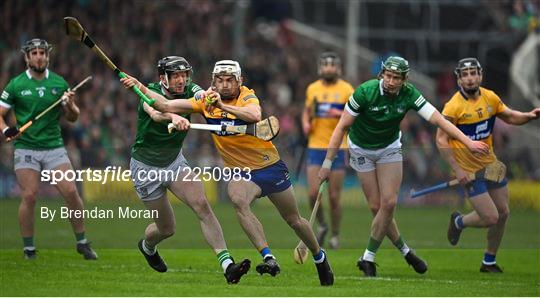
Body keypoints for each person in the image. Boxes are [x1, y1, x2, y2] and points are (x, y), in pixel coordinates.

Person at [121, 60, 334, 286]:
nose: (224, 85)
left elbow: (254, 115)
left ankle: (320, 258)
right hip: (239, 172)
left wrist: (223, 107)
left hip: (269, 166)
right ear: (214, 81)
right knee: (238, 200)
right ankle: (268, 257)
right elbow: (164, 106)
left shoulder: (246, 96)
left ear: (239, 80)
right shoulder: (205, 101)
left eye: (229, 80)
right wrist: (141, 88)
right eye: (220, 80)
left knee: (294, 220)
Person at [318, 56, 490, 277]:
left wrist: (468, 142)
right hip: (360, 149)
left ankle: (368, 257)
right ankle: (406, 251)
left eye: (396, 78)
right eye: (388, 76)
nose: (390, 81)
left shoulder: (409, 94)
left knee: (388, 204)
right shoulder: (364, 92)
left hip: (390, 147)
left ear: (404, 79)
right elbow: (341, 127)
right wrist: (327, 163)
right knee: (375, 207)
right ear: (382, 74)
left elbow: (439, 120)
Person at [127, 56, 250, 284]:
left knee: (202, 204)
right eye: (176, 76)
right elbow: (155, 111)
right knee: (166, 228)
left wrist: (210, 98)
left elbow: (200, 95)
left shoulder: (190, 89)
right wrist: (173, 116)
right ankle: (147, 247)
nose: (182, 80)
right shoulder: (149, 92)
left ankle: (227, 265)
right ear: (163, 78)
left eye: (184, 75)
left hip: (174, 163)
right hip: (146, 168)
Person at [436, 57, 540, 273]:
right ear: (459, 79)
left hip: (491, 165)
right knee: (490, 217)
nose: (470, 78)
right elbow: (441, 140)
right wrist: (457, 169)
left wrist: (529, 116)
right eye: (465, 75)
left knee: (503, 213)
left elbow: (510, 116)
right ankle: (459, 223)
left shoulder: (490, 97)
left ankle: (489, 261)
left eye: (474, 73)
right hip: (469, 170)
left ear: (480, 75)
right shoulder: (453, 106)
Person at [0, 38, 97, 260]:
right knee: (30, 196)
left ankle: (82, 242)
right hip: (26, 147)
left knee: (71, 192)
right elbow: (0, 115)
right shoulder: (16, 85)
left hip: (54, 146)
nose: (39, 56)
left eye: (42, 52)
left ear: (48, 56)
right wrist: (6, 131)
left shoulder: (59, 83)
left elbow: (73, 117)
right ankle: (29, 249)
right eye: (34, 53)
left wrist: (70, 104)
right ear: (27, 58)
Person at [302, 52, 354, 248]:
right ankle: (322, 225)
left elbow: (354, 115)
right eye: (326, 65)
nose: (329, 69)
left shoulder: (347, 89)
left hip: (339, 146)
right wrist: (306, 123)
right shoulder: (312, 89)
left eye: (332, 65)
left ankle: (335, 235)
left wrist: (337, 112)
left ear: (338, 68)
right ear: (320, 68)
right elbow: (306, 112)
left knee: (333, 197)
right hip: (315, 145)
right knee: (313, 193)